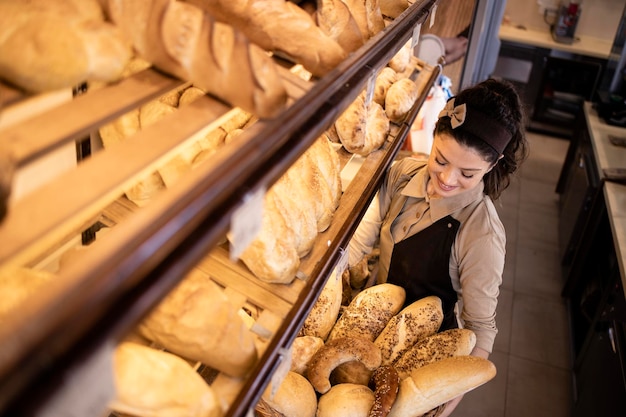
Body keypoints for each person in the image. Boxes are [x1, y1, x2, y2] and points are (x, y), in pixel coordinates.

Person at [348, 78, 529, 416]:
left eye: (468, 173)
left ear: (493, 165)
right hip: (368, 326)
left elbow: (481, 332)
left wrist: (441, 408)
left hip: (419, 361)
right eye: (441, 159)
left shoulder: (481, 236)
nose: (447, 179)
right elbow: (357, 245)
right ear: (432, 137)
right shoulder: (403, 174)